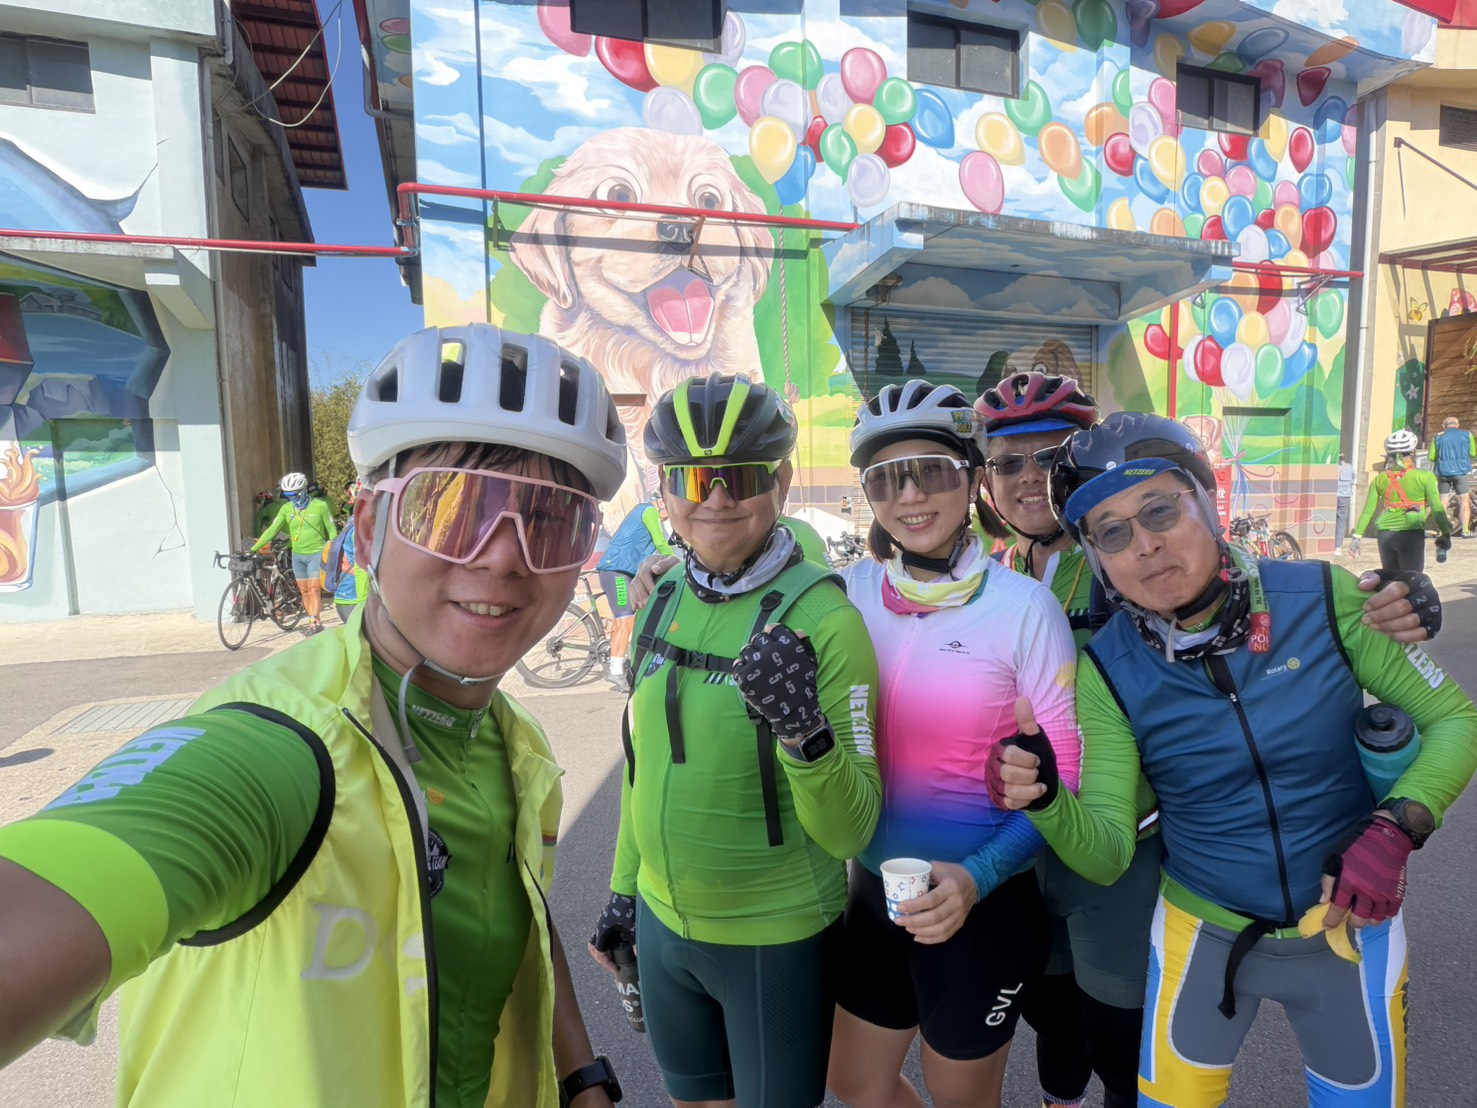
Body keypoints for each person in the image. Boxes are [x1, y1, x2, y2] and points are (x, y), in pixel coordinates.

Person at [0, 324, 631, 1107]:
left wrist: (579, 1073)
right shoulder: (282, 747)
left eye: (548, 519)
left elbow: (514, 909)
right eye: (448, 508)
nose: (502, 555)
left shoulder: (514, 741)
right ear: (367, 529)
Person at [990, 412, 1477, 1108]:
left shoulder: (1322, 597)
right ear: (1097, 559)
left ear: (1205, 503)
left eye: (1160, 510)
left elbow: (1454, 719)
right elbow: (1105, 854)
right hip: (1200, 933)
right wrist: (1044, 799)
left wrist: (1395, 829)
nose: (1146, 545)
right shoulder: (1109, 669)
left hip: (1347, 926)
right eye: (1112, 533)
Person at [587, 373, 881, 1108]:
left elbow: (851, 831)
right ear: (666, 489)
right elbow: (641, 765)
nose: (716, 498)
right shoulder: (660, 596)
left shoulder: (826, 619)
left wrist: (803, 732)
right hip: (662, 927)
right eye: (694, 478)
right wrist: (623, 890)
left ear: (780, 482)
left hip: (774, 938)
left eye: (741, 476)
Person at [825, 380, 1077, 1108]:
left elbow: (1068, 779)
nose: (910, 495)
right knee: (854, 1083)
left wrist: (976, 878)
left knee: (961, 1100)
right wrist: (666, 571)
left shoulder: (1024, 608)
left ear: (970, 480)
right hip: (874, 891)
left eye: (932, 472)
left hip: (984, 903)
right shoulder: (846, 594)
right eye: (885, 479)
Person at [973, 371, 1158, 1108]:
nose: (1028, 477)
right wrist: (667, 568)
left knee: (1118, 1048)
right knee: (1053, 1023)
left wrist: (1389, 600)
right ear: (985, 479)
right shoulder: (996, 573)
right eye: (1007, 462)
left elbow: (1231, 588)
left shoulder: (1119, 554)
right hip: (1025, 846)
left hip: (1117, 847)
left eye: (1049, 458)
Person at [594, 491, 674, 690]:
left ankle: (619, 659)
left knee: (625, 618)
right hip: (617, 571)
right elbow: (660, 542)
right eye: (669, 510)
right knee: (625, 620)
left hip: (619, 570)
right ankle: (615, 671)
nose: (668, 516)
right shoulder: (649, 511)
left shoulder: (640, 511)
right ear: (661, 503)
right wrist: (676, 561)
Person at [1350, 429, 1451, 572]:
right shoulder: (1425, 477)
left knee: (1391, 579)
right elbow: (1437, 509)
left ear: (1389, 455)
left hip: (1385, 536)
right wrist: (1445, 533)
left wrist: (1357, 537)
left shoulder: (1379, 479)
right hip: (1410, 534)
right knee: (1411, 578)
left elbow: (1368, 511)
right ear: (1413, 452)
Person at [253, 471, 338, 634]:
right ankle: (315, 620)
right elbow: (272, 530)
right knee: (304, 591)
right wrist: (254, 548)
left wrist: (332, 550)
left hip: (316, 553)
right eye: (288, 495)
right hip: (297, 555)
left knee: (314, 589)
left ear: (304, 489)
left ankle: (313, 622)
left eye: (296, 494)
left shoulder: (320, 506)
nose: (293, 498)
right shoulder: (286, 509)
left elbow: (331, 529)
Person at [1431, 415, 1475, 537]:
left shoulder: (1437, 437)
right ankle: (1465, 531)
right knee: (1464, 502)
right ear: (1458, 425)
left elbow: (1431, 457)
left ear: (1443, 426)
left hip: (1442, 473)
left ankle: (1442, 531)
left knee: (1443, 502)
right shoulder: (1467, 435)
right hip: (1460, 473)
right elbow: (1473, 453)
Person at [1334, 453, 1356, 556]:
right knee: (1341, 522)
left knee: (1330, 520)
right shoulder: (1349, 467)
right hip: (1345, 496)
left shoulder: (1332, 467)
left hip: (1332, 496)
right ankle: (1338, 547)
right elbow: (1353, 478)